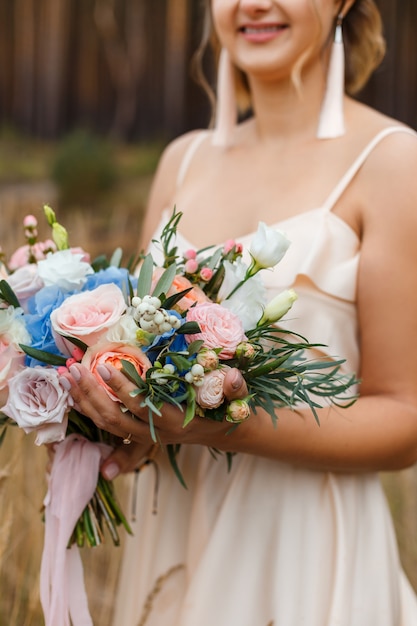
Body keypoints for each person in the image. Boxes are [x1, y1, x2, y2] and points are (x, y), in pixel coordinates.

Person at [61, 1, 417, 624]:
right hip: (176, 536)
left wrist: (228, 426)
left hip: (304, 550)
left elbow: (407, 418)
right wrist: (113, 420)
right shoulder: (183, 161)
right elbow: (146, 360)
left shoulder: (394, 162)